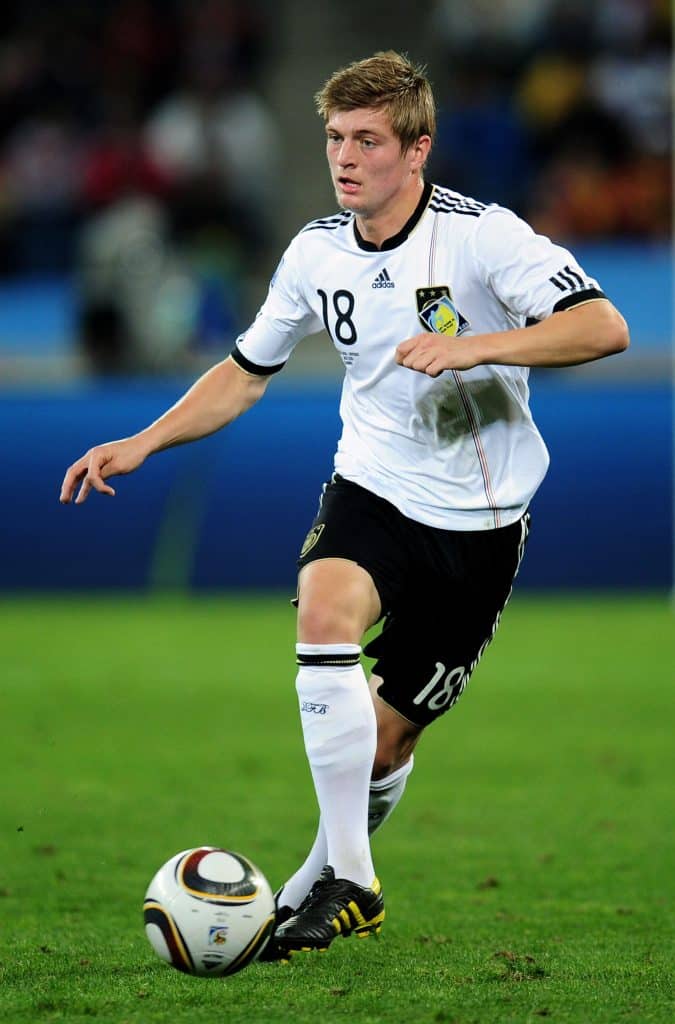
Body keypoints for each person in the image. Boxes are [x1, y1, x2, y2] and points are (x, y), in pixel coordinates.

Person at [60, 51, 629, 959]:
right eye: (334, 138)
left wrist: (475, 346)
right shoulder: (315, 251)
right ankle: (355, 881)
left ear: (418, 150)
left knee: (381, 747)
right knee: (323, 611)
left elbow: (604, 326)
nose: (346, 157)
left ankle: (303, 890)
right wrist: (143, 440)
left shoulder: (484, 238)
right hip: (372, 487)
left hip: (481, 524)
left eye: (368, 139)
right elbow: (245, 375)